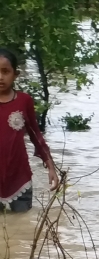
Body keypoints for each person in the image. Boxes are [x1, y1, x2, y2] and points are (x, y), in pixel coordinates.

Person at [0, 48, 59, 213]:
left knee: (22, 224)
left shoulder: (24, 101)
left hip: (19, 177)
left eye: (5, 72)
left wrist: (51, 167)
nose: (0, 77)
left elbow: (36, 136)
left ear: (15, 74)